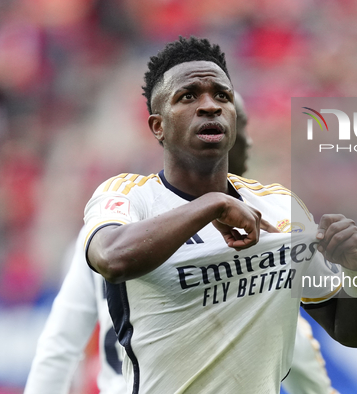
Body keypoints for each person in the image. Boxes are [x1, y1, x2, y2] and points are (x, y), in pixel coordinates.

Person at [83, 36, 357, 393]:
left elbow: (352, 334)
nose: (210, 106)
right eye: (188, 96)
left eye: (222, 95)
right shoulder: (131, 196)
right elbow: (111, 258)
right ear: (158, 126)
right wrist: (213, 204)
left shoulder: (280, 207)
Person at [24, 92, 339, 394]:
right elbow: (61, 344)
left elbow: (59, 346)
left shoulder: (269, 227)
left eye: (236, 120)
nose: (245, 139)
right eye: (241, 125)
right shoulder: (114, 232)